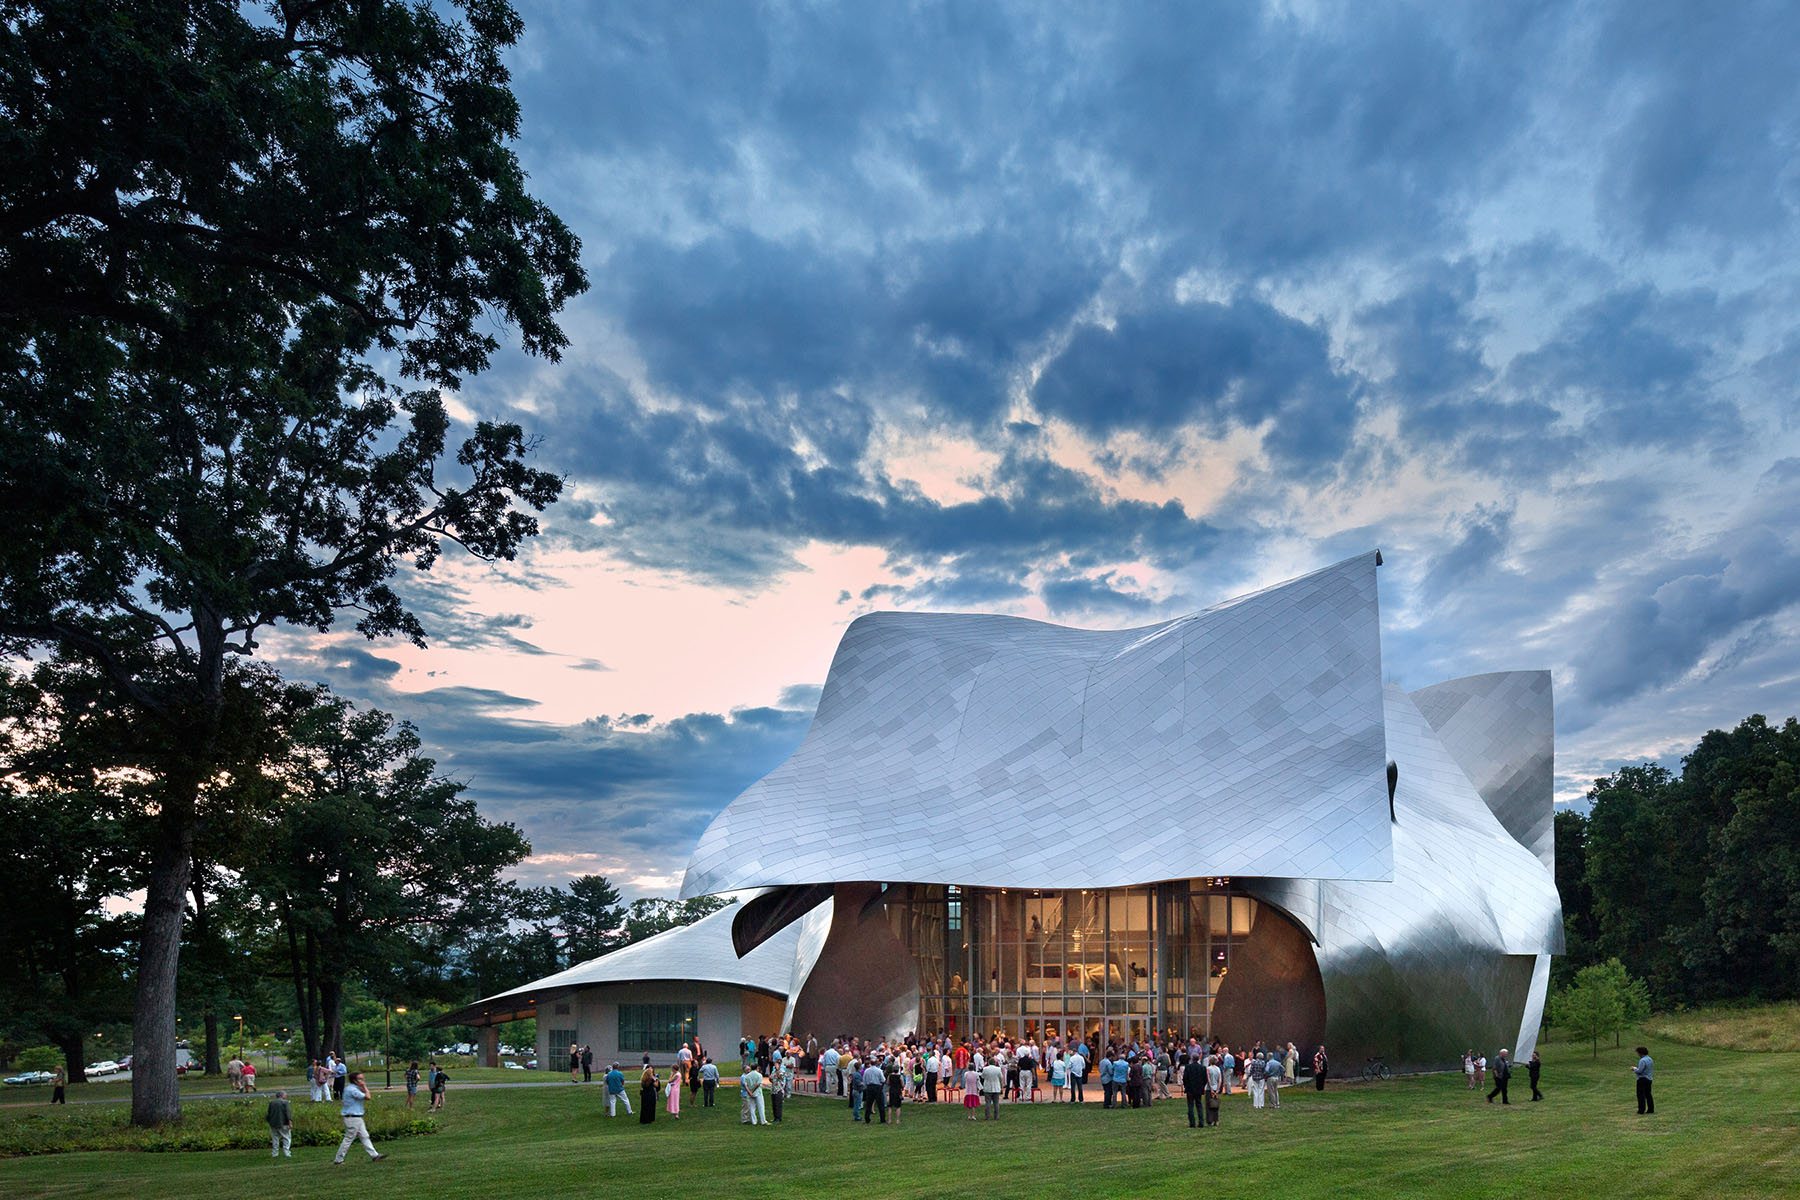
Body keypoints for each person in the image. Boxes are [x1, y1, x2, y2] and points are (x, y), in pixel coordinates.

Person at [332, 1072, 386, 1164]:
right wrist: (364, 1087)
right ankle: (338, 1159)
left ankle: (374, 1155)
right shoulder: (353, 1090)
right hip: (353, 1118)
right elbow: (368, 1097)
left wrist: (362, 1087)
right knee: (348, 1139)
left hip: (356, 1117)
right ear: (354, 1080)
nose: (363, 1081)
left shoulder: (351, 1088)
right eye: (360, 1079)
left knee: (365, 1136)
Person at [1182, 1054, 1207, 1129]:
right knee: (1199, 1105)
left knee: (1190, 1106)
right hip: (1199, 1089)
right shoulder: (1202, 1068)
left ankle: (1192, 1123)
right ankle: (1201, 1122)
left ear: (1192, 1059)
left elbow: (1185, 1078)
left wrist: (1186, 1086)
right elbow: (1205, 1079)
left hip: (1190, 1089)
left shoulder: (1188, 1067)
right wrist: (1202, 1086)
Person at [266, 1089, 293, 1159]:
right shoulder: (285, 1102)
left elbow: (269, 1113)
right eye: (285, 1095)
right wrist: (290, 1122)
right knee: (287, 1138)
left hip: (273, 1123)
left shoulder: (272, 1102)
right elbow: (287, 1113)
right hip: (283, 1123)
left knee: (275, 1138)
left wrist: (269, 1121)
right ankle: (286, 1152)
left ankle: (275, 1153)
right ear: (282, 1095)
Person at [861, 1057, 886, 1124]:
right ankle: (882, 1119)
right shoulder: (879, 1071)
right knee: (881, 1104)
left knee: (869, 1104)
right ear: (876, 1063)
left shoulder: (866, 1071)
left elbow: (864, 1080)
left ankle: (867, 1118)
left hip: (869, 1087)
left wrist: (866, 1087)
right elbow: (883, 1080)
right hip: (877, 1087)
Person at [1634, 1046, 1654, 1114]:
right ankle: (1651, 1109)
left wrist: (1634, 1069)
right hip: (1649, 1078)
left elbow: (1640, 1071)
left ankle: (1641, 1110)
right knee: (1648, 1094)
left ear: (1641, 1053)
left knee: (1640, 1095)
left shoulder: (1642, 1060)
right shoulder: (1650, 1059)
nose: (1638, 1054)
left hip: (1642, 1079)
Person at [1205, 1054, 1223, 1126]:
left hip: (1209, 1089)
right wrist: (1218, 1089)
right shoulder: (1218, 1069)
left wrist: (1211, 1089)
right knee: (1215, 1105)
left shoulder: (1208, 1068)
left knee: (1208, 1105)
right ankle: (1216, 1120)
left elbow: (1208, 1079)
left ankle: (1210, 1120)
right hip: (1216, 1088)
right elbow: (1220, 1079)